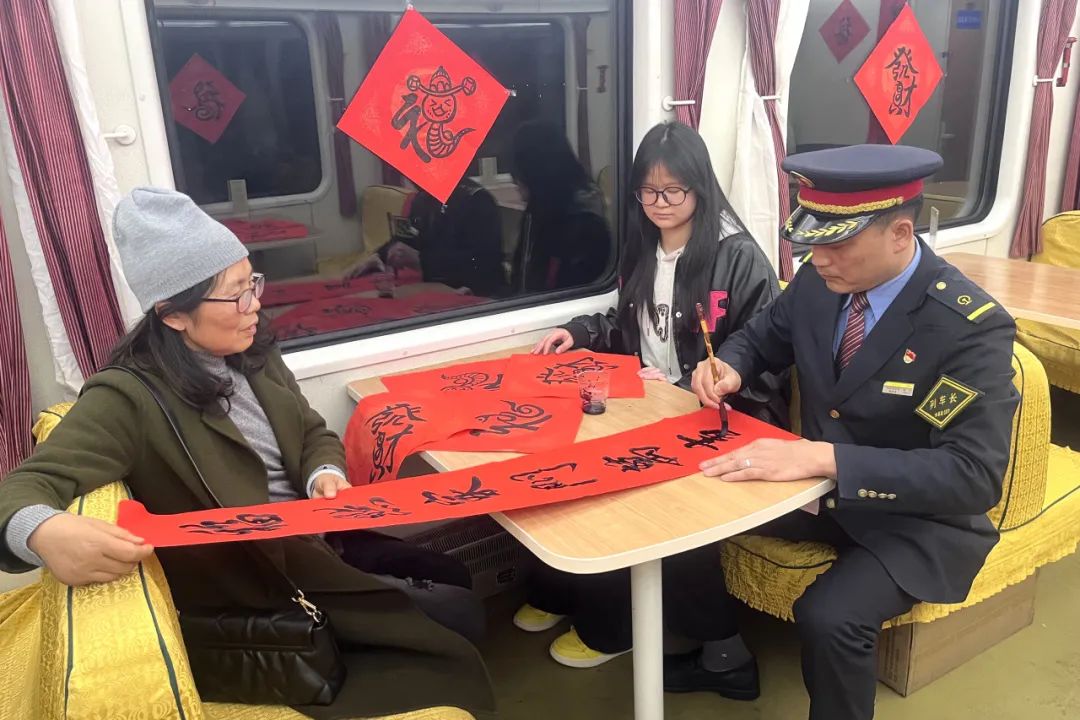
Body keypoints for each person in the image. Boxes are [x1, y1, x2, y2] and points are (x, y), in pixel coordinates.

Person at [0, 188, 495, 720]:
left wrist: (323, 472)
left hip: (323, 537)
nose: (255, 304)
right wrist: (43, 532)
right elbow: (19, 490)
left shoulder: (253, 352)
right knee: (459, 618)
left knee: (454, 575)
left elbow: (311, 431)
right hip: (274, 580)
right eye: (235, 294)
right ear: (173, 315)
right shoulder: (128, 398)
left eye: (252, 283)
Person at [681, 144, 1018, 719]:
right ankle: (722, 656)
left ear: (900, 233)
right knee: (688, 507)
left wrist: (826, 459)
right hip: (822, 491)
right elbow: (763, 337)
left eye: (837, 244)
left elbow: (972, 475)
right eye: (812, 243)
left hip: (917, 520)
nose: (818, 259)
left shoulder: (966, 327)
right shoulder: (820, 284)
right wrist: (730, 365)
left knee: (831, 617)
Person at [517, 121, 788, 670]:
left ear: (700, 187)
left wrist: (694, 385)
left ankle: (615, 627)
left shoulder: (737, 257)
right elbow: (631, 325)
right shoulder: (642, 247)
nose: (659, 204)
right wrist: (582, 332)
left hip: (721, 418)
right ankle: (562, 592)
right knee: (559, 464)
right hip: (652, 405)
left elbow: (766, 352)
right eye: (648, 191)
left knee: (618, 492)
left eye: (673, 191)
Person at [351, 179, 508, 297]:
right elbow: (406, 237)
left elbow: (481, 263)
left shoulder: (477, 200)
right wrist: (381, 255)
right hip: (436, 289)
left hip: (477, 294)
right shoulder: (421, 199)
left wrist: (421, 261)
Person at [509, 120, 612, 292]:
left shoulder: (585, 224)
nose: (516, 182)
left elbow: (563, 291)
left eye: (520, 173)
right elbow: (521, 278)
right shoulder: (538, 209)